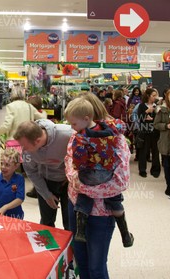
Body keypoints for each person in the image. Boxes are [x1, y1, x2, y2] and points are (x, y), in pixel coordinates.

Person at [64, 95, 132, 278]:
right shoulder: (77, 135)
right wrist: (76, 179)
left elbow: (120, 181)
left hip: (100, 214)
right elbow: (69, 162)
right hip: (76, 206)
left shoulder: (116, 139)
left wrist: (82, 186)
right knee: (81, 261)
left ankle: (126, 233)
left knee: (96, 267)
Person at [13, 119, 73, 229]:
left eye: (25, 147)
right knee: (46, 222)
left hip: (69, 183)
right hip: (45, 181)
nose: (23, 150)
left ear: (37, 141)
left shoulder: (67, 135)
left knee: (70, 222)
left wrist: (71, 176)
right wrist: (46, 194)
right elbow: (31, 171)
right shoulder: (27, 151)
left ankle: (71, 246)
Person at [154, 89, 170, 196]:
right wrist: (166, 126)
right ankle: (169, 185)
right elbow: (156, 124)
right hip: (165, 141)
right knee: (167, 165)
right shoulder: (162, 110)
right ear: (167, 97)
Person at [0, 148, 25, 219]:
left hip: (16, 217)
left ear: (16, 166)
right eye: (1, 163)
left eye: (7, 165)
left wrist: (5, 207)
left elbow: (20, 199)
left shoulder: (19, 179)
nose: (3, 167)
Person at [136, 88, 161, 178]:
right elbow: (140, 117)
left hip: (155, 131)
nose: (155, 97)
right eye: (153, 95)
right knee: (143, 151)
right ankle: (142, 170)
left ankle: (155, 170)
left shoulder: (157, 106)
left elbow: (159, 119)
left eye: (156, 95)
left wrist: (152, 118)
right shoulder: (142, 106)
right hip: (144, 131)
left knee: (155, 151)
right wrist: (147, 112)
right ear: (148, 96)